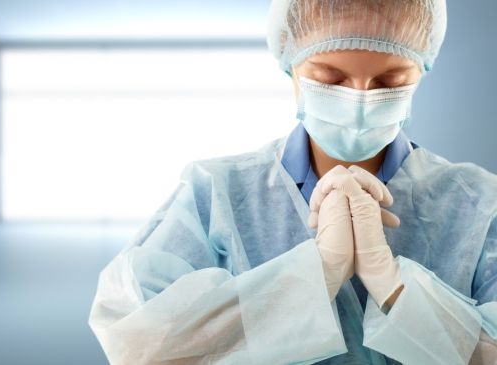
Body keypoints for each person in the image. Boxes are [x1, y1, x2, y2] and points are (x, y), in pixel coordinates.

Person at [89, 0, 497, 363]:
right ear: (291, 65)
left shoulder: (480, 203)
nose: (359, 98)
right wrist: (314, 274)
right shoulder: (215, 193)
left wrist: (393, 286)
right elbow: (139, 345)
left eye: (390, 82)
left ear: (422, 70)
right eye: (331, 78)